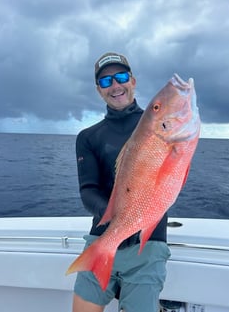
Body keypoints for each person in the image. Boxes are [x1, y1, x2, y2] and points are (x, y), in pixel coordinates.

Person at [72, 52, 170, 312]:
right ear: (98, 90)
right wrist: (120, 223)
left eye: (121, 77)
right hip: (102, 238)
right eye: (106, 82)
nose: (115, 86)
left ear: (133, 81)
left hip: (147, 245)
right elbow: (88, 191)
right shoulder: (88, 137)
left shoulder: (159, 126)